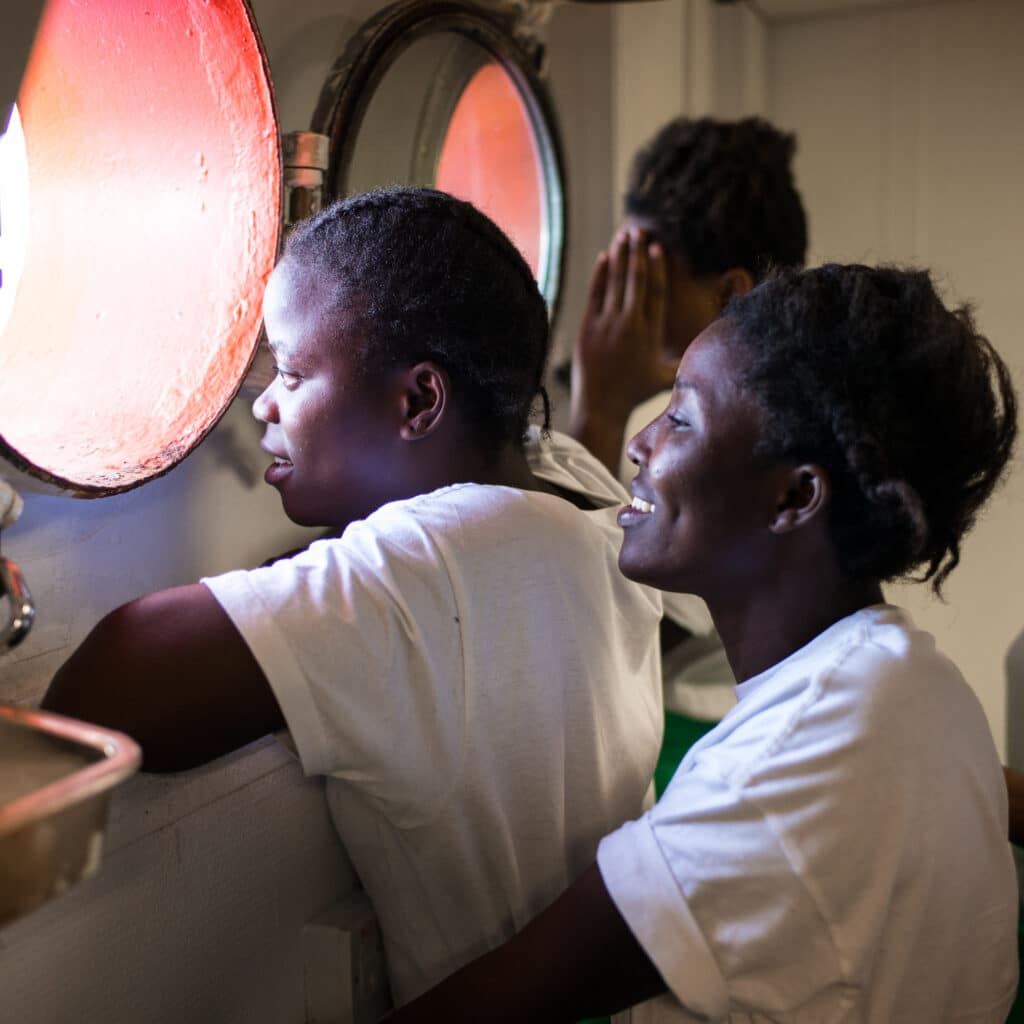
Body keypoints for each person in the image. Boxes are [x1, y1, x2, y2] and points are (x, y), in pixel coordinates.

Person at [41, 187, 692, 1007]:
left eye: (293, 372)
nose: (263, 404)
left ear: (418, 402)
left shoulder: (432, 565)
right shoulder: (575, 490)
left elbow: (107, 687)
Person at [387, 263, 1020, 1023]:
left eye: (680, 419)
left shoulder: (781, 777)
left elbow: (496, 1002)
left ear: (794, 496)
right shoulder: (913, 680)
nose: (641, 445)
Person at [568, 115, 808, 485]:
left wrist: (600, 412)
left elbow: (582, 544)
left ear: (730, 294)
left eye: (641, 276)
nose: (620, 304)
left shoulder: (756, 450)